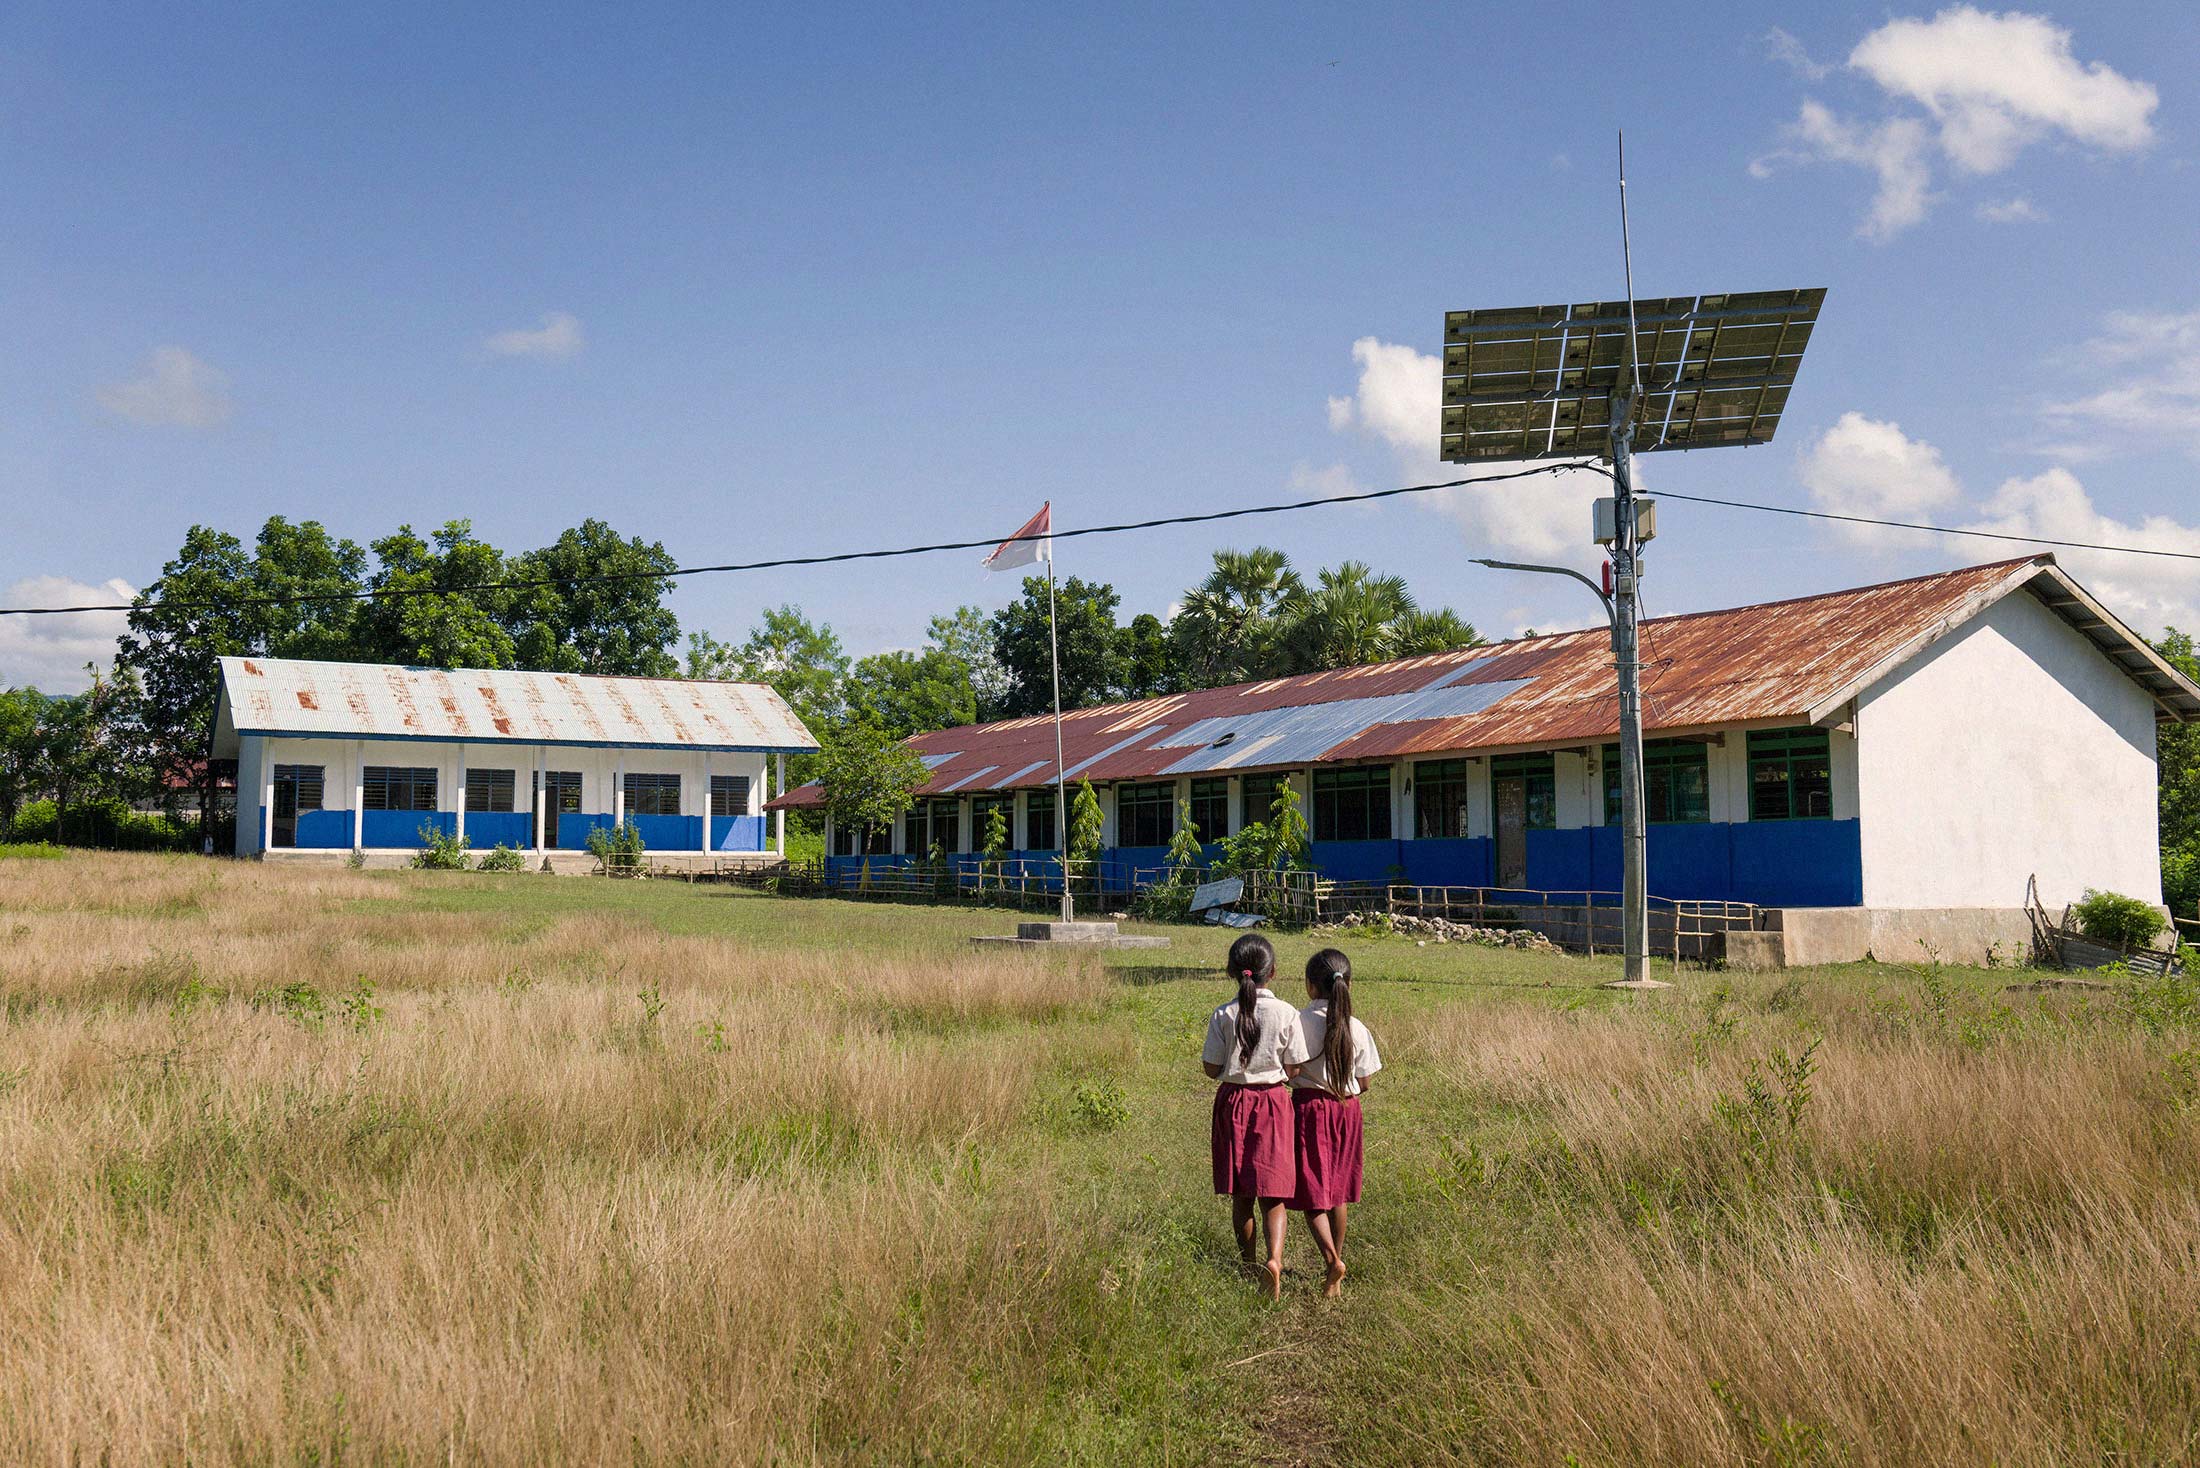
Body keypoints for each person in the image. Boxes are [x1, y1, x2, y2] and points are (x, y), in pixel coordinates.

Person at [1201, 932, 1306, 1299]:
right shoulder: (1287, 1012)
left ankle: (1247, 1265)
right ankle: (1274, 1260)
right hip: (1274, 1104)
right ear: (1272, 972)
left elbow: (1211, 1068)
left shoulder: (1223, 1014)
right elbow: (1294, 1066)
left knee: (1242, 1194)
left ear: (1232, 971)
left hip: (1234, 1104)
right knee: (1274, 1194)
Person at [1288, 948, 1380, 1298]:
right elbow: (1366, 1081)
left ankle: (1331, 1261)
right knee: (1338, 1191)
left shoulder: (1298, 1021)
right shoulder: (1357, 1027)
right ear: (1348, 986)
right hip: (1348, 1110)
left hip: (1310, 1109)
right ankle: (1337, 1263)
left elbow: (1291, 1069)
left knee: (1312, 1192)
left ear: (1310, 986)